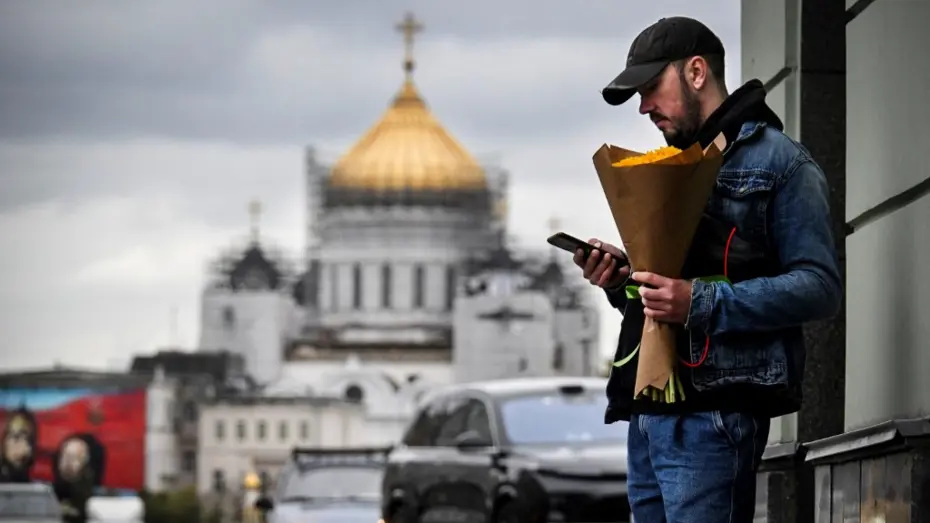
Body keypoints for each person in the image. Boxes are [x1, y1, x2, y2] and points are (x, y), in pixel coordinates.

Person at [575, 16, 843, 523]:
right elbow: (675, 281)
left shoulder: (782, 163)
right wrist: (623, 282)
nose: (644, 106)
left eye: (653, 87)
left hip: (715, 412)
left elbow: (819, 287)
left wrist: (696, 302)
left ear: (697, 72)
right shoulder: (670, 164)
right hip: (648, 411)